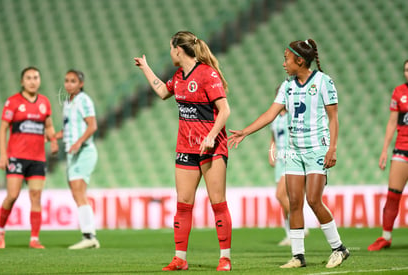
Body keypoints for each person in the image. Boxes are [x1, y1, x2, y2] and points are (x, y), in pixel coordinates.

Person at [229, 39, 349, 268]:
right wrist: (245, 131)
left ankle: (339, 249)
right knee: (294, 202)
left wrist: (332, 148)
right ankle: (298, 256)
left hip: (317, 148)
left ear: (300, 61)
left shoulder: (324, 82)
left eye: (287, 58)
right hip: (293, 151)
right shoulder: (287, 86)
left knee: (313, 200)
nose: (284, 63)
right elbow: (270, 114)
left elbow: (334, 118)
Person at [134, 31, 232, 271]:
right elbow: (162, 92)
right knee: (183, 204)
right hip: (186, 147)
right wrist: (145, 68)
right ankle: (180, 258)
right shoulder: (178, 76)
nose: (170, 53)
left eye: (170, 48)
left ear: (178, 49)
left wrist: (210, 136)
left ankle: (225, 258)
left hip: (212, 147)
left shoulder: (208, 74)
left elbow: (225, 110)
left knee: (217, 202)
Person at [0, 66, 59, 249]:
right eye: (29, 78)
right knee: (12, 195)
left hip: (38, 158)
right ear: (22, 81)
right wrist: (3, 154)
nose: (33, 81)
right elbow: (3, 129)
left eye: (36, 77)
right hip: (16, 156)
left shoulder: (45, 102)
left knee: (36, 196)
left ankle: (34, 239)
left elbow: (48, 126)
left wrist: (53, 139)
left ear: (39, 80)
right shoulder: (13, 102)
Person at [54, 69, 100, 249]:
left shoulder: (84, 100)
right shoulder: (67, 102)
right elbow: (68, 129)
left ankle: (89, 235)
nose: (68, 84)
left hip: (84, 151)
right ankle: (89, 235)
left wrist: (79, 142)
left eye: (72, 81)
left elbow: (92, 125)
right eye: (66, 81)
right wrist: (52, 137)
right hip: (72, 152)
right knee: (76, 193)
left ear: (80, 83)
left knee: (79, 192)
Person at [368, 60, 408, 251]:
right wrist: (384, 150)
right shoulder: (399, 92)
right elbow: (392, 122)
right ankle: (386, 237)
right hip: (402, 149)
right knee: (393, 195)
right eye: (406, 70)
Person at [268, 104, 291, 246]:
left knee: (280, 195)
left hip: (290, 158)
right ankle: (290, 234)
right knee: (285, 200)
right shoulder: (275, 119)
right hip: (280, 161)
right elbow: (273, 139)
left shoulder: (293, 116)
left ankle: (300, 224)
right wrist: (271, 154)